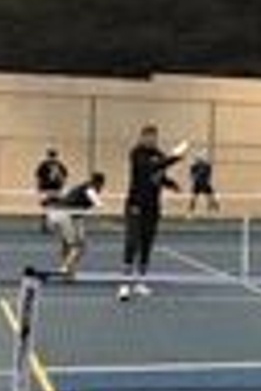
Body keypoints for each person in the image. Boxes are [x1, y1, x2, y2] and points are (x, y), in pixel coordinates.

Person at [119, 125, 189, 301]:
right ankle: (125, 284)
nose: (151, 140)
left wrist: (171, 184)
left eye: (154, 137)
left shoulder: (158, 154)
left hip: (153, 208)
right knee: (132, 242)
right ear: (142, 137)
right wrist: (174, 157)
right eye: (148, 137)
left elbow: (159, 174)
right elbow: (148, 169)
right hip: (135, 206)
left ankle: (141, 282)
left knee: (146, 244)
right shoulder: (136, 153)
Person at [46, 172, 105, 277]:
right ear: (99, 183)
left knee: (69, 244)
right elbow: (99, 204)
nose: (102, 188)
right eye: (101, 185)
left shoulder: (82, 187)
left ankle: (69, 270)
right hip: (63, 215)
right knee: (78, 246)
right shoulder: (90, 189)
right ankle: (65, 268)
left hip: (64, 214)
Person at [34, 148, 69, 233]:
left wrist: (62, 185)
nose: (52, 158)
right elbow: (38, 176)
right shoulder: (43, 165)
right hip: (46, 189)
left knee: (56, 207)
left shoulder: (59, 165)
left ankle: (54, 225)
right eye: (51, 156)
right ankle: (45, 226)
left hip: (56, 190)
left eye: (53, 156)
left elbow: (65, 176)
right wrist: (40, 188)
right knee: (46, 207)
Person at [188, 150, 220, 214]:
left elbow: (209, 176)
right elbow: (192, 176)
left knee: (212, 197)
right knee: (193, 199)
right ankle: (190, 212)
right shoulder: (194, 167)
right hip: (197, 184)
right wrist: (196, 180)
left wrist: (205, 182)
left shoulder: (207, 166)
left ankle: (215, 210)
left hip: (205, 184)